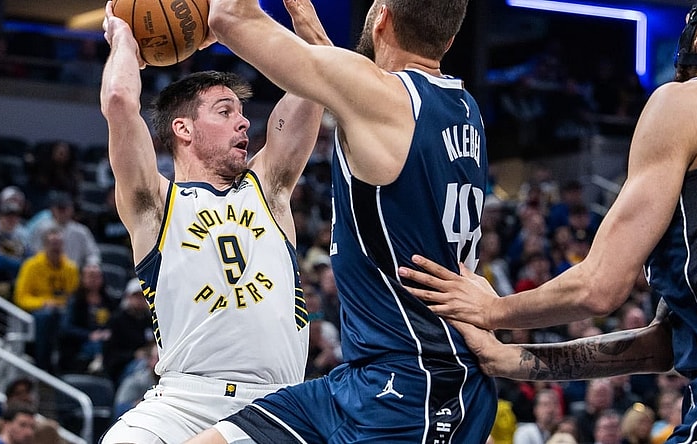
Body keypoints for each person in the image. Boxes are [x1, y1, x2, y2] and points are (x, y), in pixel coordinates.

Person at [189, 0, 493, 441]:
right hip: (367, 376)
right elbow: (348, 88)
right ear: (447, 40)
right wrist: (310, 30)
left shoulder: (382, 96)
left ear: (382, 16)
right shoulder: (463, 106)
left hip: (414, 387)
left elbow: (228, 17)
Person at [398, 3, 697, 443]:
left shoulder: (684, 103)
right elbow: (661, 346)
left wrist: (493, 310)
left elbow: (598, 287)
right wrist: (509, 359)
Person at [99, 0, 330, 441]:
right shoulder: (155, 204)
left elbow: (318, 79)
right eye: (225, 112)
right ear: (183, 129)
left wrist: (301, 15)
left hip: (276, 403)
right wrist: (125, 37)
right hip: (184, 400)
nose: (243, 123)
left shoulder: (268, 187)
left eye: (242, 113)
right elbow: (119, 101)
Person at [13, 227, 80, 372]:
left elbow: (73, 296)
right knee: (47, 316)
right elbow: (21, 297)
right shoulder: (31, 265)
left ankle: (68, 366)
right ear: (45, 245)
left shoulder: (71, 268)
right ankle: (42, 365)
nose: (56, 248)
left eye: (59, 244)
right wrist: (43, 303)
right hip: (38, 311)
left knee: (71, 318)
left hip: (62, 309)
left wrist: (60, 304)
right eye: (52, 244)